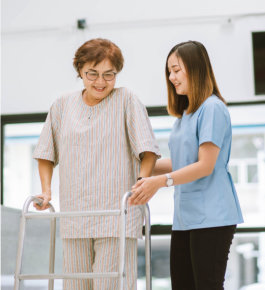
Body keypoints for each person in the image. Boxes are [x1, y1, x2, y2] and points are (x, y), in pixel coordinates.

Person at [33, 38, 160, 290]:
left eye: (109, 75)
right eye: (92, 74)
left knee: (111, 286)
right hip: (75, 215)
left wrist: (141, 184)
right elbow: (46, 153)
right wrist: (46, 191)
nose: (100, 82)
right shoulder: (62, 105)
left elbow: (148, 151)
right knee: (76, 287)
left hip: (116, 217)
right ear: (79, 70)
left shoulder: (127, 100)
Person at [129, 40, 244, 290]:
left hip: (213, 216)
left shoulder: (212, 108)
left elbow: (204, 165)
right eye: (169, 71)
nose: (171, 77)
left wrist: (159, 182)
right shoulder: (185, 116)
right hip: (185, 217)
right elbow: (181, 163)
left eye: (177, 69)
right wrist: (142, 163)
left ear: (196, 68)